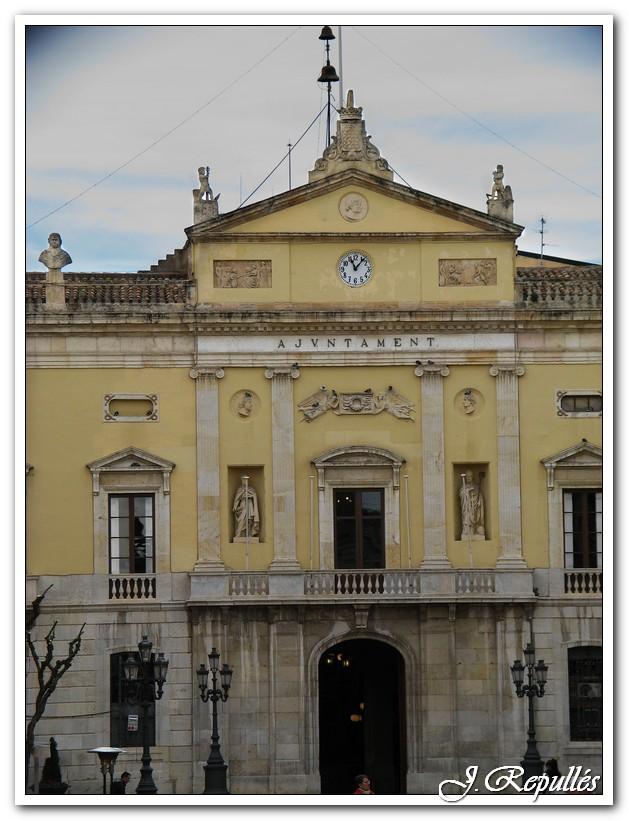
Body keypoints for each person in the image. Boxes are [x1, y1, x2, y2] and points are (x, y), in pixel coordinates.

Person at [460, 470, 485, 538]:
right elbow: (461, 495)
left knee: (476, 518)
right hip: (467, 508)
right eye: (467, 476)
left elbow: (480, 496)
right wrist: (466, 492)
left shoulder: (476, 486)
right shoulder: (464, 487)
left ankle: (476, 528)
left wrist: (479, 500)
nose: (468, 478)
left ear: (472, 477)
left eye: (470, 476)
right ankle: (467, 530)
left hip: (475, 509)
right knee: (467, 518)